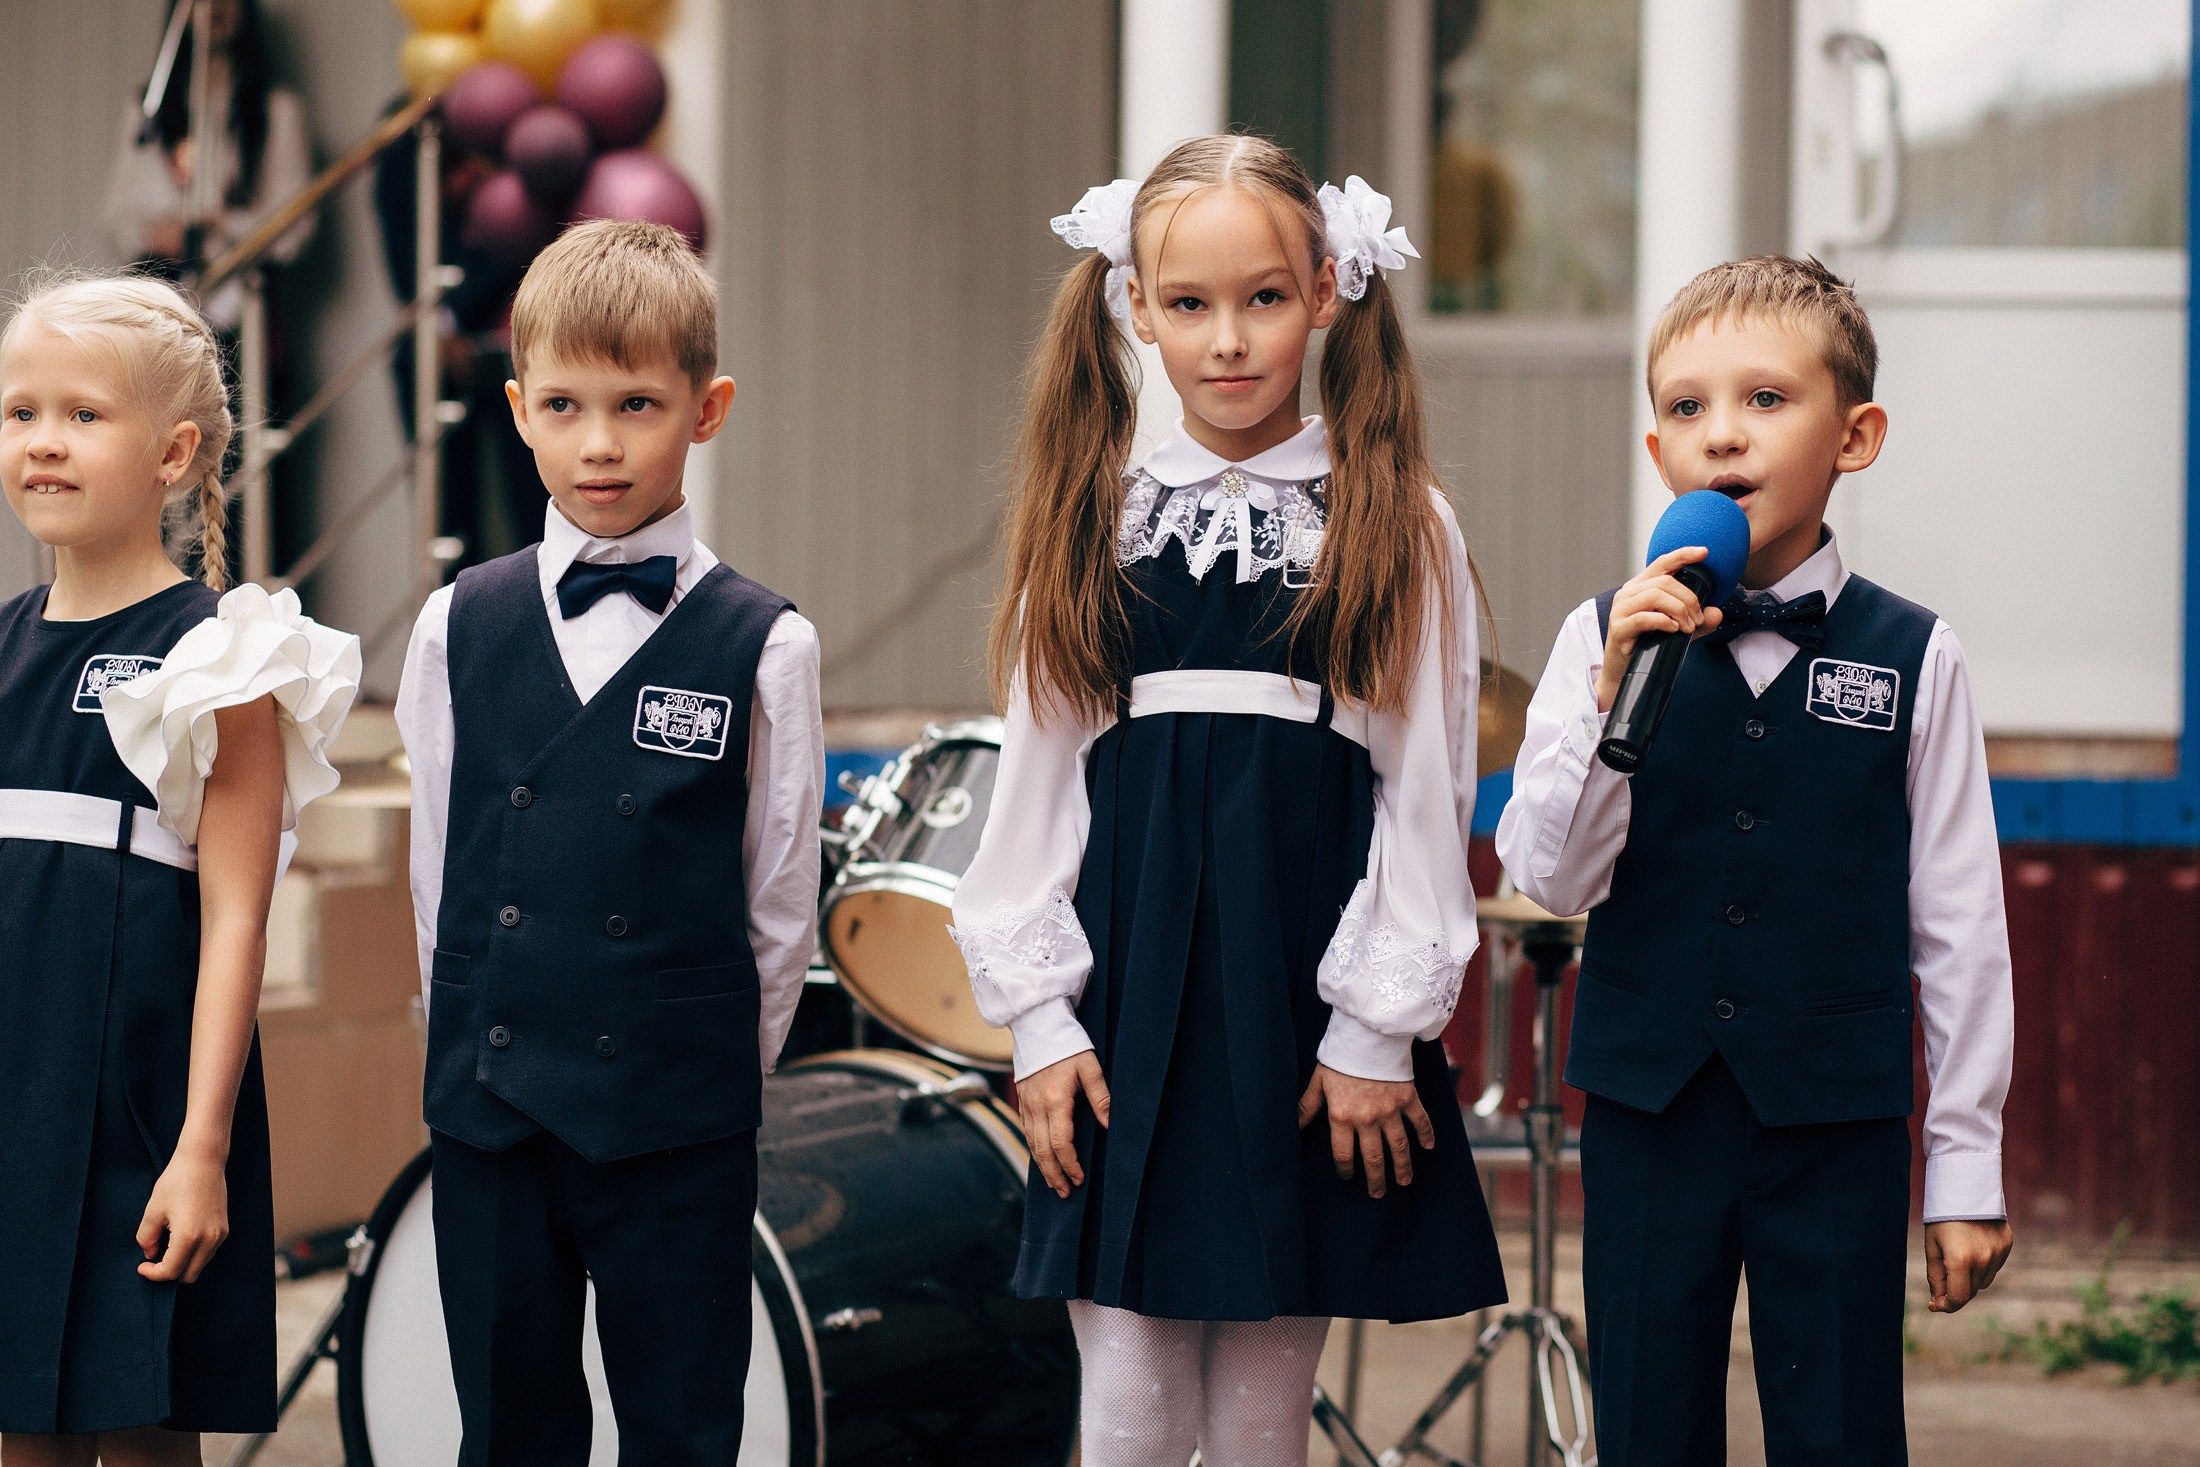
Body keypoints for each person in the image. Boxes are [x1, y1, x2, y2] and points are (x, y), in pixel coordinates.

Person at [950, 136, 1507, 1467]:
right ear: (1136, 308)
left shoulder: (1397, 520)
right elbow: (1035, 790)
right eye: (1189, 303)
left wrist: (1373, 1032)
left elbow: (1423, 793)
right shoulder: (1091, 514)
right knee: (1129, 1392)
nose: (1229, 339)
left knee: (1263, 1404)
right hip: (1124, 1002)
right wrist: (1039, 1022)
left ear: (1325, 289)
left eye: (1262, 297)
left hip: (1301, 1000)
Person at [1496, 255, 2015, 1466]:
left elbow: (1958, 924)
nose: (1722, 433)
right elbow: (1549, 879)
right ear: (1657, 451)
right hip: (1648, 1106)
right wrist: (1610, 701)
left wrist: (1966, 1167)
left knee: (1839, 1428)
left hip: (1832, 1114)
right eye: (1687, 407)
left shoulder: (1915, 654)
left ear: (1855, 436)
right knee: (1647, 1426)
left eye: (1765, 400)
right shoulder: (1598, 637)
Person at [396, 219, 823, 1466]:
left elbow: (778, 903)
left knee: (683, 1433)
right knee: (507, 1434)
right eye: (565, 406)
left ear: (707, 409)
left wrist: (704, 1076)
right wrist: (469, 1043)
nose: (599, 443)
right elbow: (437, 873)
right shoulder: (453, 623)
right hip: (493, 1110)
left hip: (676, 1122)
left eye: (637, 404)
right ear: (518, 411)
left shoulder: (767, 643)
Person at [0, 270, 359, 1464]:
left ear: (173, 453)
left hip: (146, 1115)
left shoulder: (222, 657)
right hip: (13, 1110)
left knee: (147, 1432)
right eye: (21, 411)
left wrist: (201, 1147)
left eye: (83, 414)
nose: (44, 441)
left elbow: (237, 921)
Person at [103, 0, 312, 333]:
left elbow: (295, 226)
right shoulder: (149, 110)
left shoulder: (276, 111)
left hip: (240, 307)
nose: (215, 6)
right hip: (160, 300)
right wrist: (153, 234)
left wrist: (220, 227)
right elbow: (117, 216)